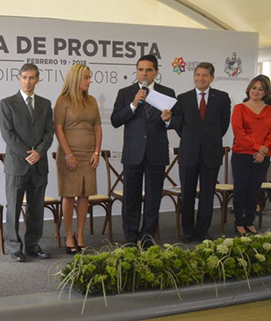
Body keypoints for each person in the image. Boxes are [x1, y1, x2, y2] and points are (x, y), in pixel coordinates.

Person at [111, 54, 176, 246]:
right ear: (136, 71)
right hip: (133, 153)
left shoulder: (167, 92)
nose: (144, 73)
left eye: (148, 70)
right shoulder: (125, 92)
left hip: (156, 152)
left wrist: (169, 120)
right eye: (140, 70)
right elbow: (115, 120)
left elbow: (177, 121)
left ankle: (148, 237)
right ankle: (131, 238)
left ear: (156, 72)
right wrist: (133, 105)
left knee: (153, 198)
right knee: (131, 197)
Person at [0, 63, 54, 262]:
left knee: (36, 207)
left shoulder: (45, 104)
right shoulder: (7, 103)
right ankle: (14, 247)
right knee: (13, 206)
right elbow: (8, 134)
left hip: (39, 164)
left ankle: (32, 245)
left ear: (38, 79)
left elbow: (49, 133)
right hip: (17, 165)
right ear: (19, 78)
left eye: (32, 78)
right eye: (24, 77)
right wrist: (27, 154)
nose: (28, 82)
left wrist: (39, 152)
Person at [170, 62, 231, 242]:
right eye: (197, 74)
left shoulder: (222, 97)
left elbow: (223, 126)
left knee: (207, 194)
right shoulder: (183, 98)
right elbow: (179, 126)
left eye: (205, 75)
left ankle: (202, 231)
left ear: (212, 78)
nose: (200, 78)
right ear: (193, 76)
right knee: (187, 194)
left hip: (211, 153)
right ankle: (188, 231)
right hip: (188, 153)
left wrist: (207, 139)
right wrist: (193, 139)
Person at [53, 64, 102, 253]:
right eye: (86, 77)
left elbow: (97, 127)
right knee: (68, 194)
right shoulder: (63, 100)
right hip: (69, 155)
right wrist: (69, 154)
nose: (89, 81)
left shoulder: (92, 101)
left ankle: (80, 234)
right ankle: (68, 234)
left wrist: (96, 152)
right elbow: (58, 128)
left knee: (84, 194)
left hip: (89, 155)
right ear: (76, 79)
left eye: (89, 77)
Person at [231, 75, 271, 236]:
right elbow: (239, 133)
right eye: (254, 88)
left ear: (265, 92)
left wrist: (264, 150)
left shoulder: (269, 110)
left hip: (263, 157)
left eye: (261, 89)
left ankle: (249, 221)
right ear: (249, 89)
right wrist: (257, 148)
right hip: (242, 155)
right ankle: (239, 223)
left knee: (254, 191)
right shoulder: (239, 108)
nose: (256, 91)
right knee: (240, 190)